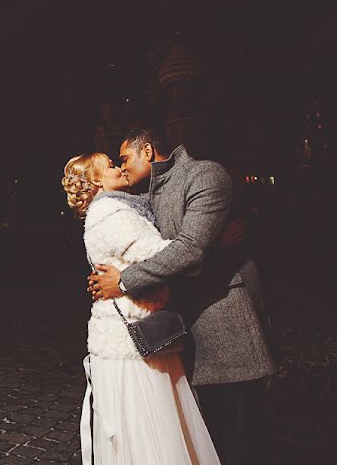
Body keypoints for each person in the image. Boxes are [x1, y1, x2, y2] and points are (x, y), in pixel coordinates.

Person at [89, 128, 275, 465]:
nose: (123, 167)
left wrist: (125, 281)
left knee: (239, 436)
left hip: (221, 320)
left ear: (146, 151)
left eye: (125, 158)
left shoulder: (203, 174)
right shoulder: (146, 194)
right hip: (179, 329)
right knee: (203, 435)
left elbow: (190, 249)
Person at [63, 153, 221, 465]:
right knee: (154, 431)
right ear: (97, 181)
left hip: (127, 338)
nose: (118, 167)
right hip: (136, 344)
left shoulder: (109, 210)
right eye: (110, 165)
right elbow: (164, 255)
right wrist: (206, 239)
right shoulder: (112, 212)